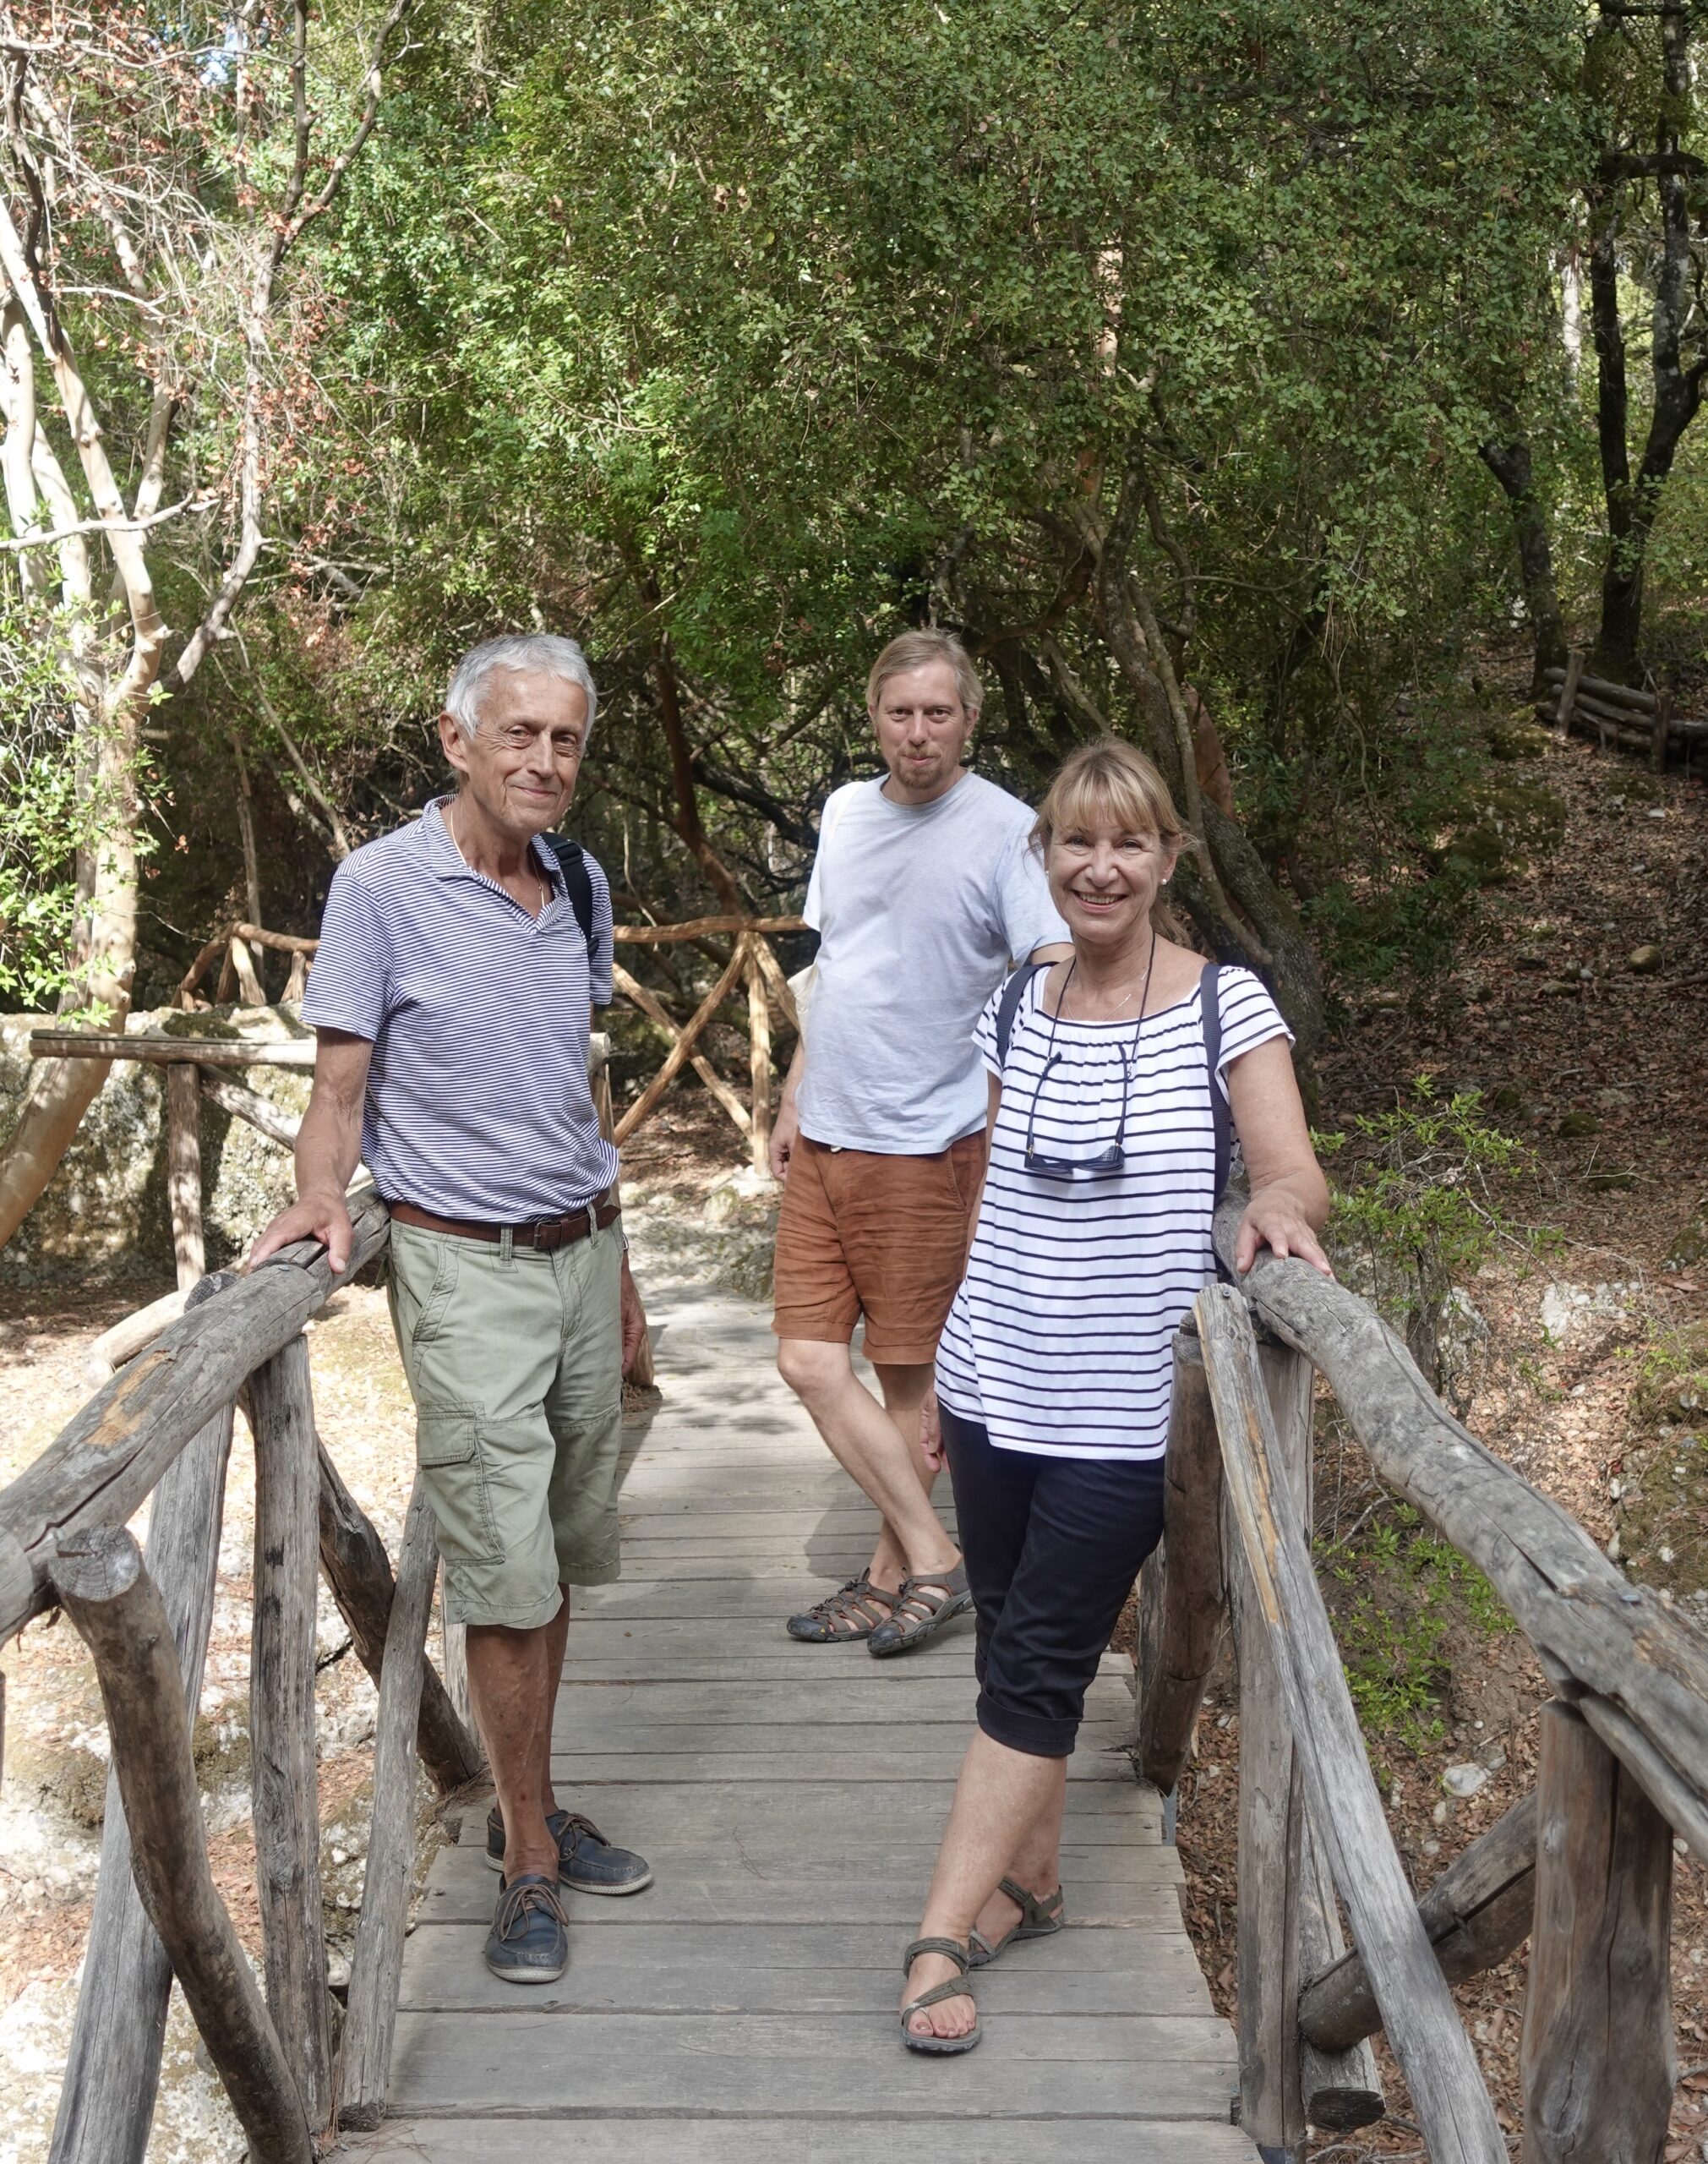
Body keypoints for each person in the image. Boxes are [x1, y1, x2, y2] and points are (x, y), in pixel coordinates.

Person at [895, 736, 1332, 2053]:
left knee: (1038, 1664)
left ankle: (932, 1939)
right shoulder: (1016, 1006)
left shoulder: (1225, 1005)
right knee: (1004, 1646)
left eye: (1128, 842)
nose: (1100, 867)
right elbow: (986, 1198)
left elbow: (1295, 1175)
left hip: (1122, 1410)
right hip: (987, 1388)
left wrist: (1271, 1207)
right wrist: (936, 1370)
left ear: (1166, 859)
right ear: (1046, 860)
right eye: (1075, 843)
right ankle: (1033, 1885)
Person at [249, 633, 652, 1988]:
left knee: (554, 1556)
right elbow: (340, 1090)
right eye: (520, 735)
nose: (546, 762)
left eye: (567, 741)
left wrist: (628, 1267)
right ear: (456, 740)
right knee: (502, 1570)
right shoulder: (380, 884)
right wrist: (320, 1200)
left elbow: (571, 1087)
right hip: (462, 1263)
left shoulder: (577, 881)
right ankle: (527, 1851)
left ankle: (531, 1806)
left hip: (583, 1256)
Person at [769, 630, 1070, 1655]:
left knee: (907, 1377)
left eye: (937, 712)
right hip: (825, 1133)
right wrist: (790, 1093)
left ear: (969, 721)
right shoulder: (845, 814)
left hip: (929, 1137)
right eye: (900, 712)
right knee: (807, 1360)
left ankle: (890, 1576)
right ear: (873, 718)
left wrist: (1010, 1107)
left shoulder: (1008, 829)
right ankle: (933, 1557)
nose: (918, 732)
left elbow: (1051, 965)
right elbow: (836, 965)